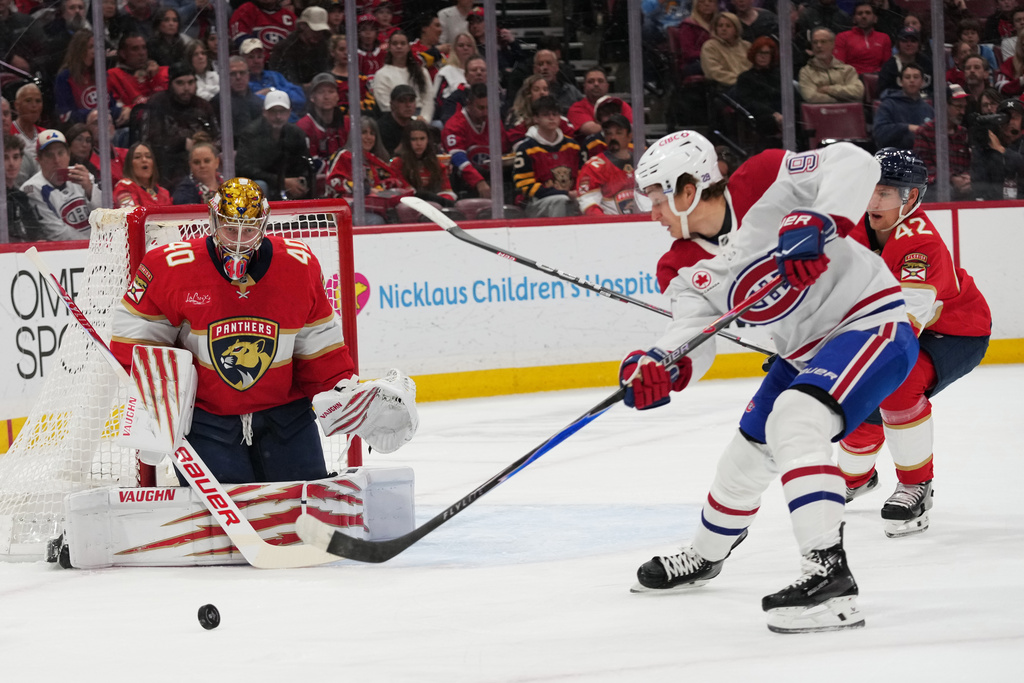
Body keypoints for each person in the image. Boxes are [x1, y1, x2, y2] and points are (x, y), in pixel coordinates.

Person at [622, 130, 917, 634]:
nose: (652, 213)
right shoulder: (680, 264)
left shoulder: (762, 176)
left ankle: (830, 579)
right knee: (744, 457)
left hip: (870, 323)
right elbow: (690, 332)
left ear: (686, 189)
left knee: (794, 419)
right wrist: (661, 364)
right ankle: (705, 556)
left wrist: (818, 220)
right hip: (801, 355)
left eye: (655, 198)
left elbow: (854, 161)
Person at [109, 177, 357, 484]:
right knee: (214, 526)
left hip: (286, 417)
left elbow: (319, 347)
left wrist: (346, 394)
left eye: (249, 230)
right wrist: (157, 404)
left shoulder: (298, 264)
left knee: (302, 510)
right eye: (230, 229)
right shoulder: (171, 267)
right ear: (213, 221)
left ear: (263, 225)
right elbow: (135, 342)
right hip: (207, 421)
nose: (239, 240)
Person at [840, 148, 991, 537]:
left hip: (957, 332)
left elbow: (902, 329)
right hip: (894, 328)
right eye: (870, 189)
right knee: (854, 400)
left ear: (911, 198)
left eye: (885, 193)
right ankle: (857, 480)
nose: (873, 201)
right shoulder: (852, 228)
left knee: (897, 381)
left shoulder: (920, 245)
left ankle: (916, 485)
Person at [142, 62, 220, 189]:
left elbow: (219, 137)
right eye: (180, 83)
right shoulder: (158, 103)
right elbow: (149, 141)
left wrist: (206, 146)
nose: (186, 88)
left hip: (203, 164)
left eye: (190, 82)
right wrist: (182, 143)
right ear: (170, 84)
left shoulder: (203, 106)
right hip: (168, 167)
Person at [324, 117, 410, 224]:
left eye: (372, 133)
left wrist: (389, 189)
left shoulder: (377, 160)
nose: (368, 137)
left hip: (376, 208)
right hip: (344, 210)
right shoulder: (343, 156)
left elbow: (391, 181)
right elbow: (333, 183)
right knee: (376, 221)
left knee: (404, 213)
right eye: (364, 132)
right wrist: (366, 189)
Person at [22, 129, 102, 241]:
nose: (57, 160)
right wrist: (90, 245)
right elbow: (57, 233)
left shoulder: (83, 175)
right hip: (65, 253)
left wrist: (90, 189)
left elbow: (105, 215)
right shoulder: (32, 188)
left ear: (69, 155)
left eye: (61, 153)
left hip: (98, 247)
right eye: (49, 155)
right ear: (39, 160)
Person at [512, 95, 583, 218]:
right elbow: (525, 186)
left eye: (555, 114)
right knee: (560, 200)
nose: (551, 118)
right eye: (546, 115)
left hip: (570, 198)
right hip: (536, 203)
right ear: (536, 118)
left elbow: (583, 177)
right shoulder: (526, 148)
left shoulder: (573, 146)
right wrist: (565, 193)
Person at [236, 90, 312, 201]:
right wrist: (282, 182)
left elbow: (303, 163)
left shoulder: (297, 134)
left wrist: (299, 180)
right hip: (261, 183)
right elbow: (245, 169)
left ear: (289, 112)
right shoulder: (250, 133)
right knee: (260, 185)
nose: (278, 116)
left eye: (282, 111)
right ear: (264, 112)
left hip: (287, 182)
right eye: (273, 111)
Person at [442, 83, 509, 199]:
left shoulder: (494, 122)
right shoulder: (454, 125)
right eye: (481, 108)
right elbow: (457, 158)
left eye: (489, 107)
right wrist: (479, 182)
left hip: (492, 177)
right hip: (463, 182)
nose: (486, 113)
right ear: (469, 104)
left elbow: (504, 152)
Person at [914, 84, 973, 201]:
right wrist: (951, 178)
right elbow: (924, 168)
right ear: (944, 105)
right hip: (933, 187)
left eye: (964, 107)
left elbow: (968, 164)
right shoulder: (925, 132)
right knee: (946, 191)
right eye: (958, 107)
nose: (962, 112)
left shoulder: (963, 133)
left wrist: (967, 178)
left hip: (959, 185)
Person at [55, 29, 126, 126]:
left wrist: (124, 110)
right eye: (91, 47)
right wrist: (95, 115)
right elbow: (65, 115)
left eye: (97, 47)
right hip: (83, 131)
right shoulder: (65, 77)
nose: (95, 51)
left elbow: (112, 106)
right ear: (79, 50)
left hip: (108, 127)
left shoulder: (102, 75)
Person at [575, 114, 636, 216]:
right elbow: (589, 204)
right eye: (608, 133)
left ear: (629, 136)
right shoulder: (593, 167)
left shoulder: (642, 162)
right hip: (610, 225)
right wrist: (605, 225)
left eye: (619, 133)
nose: (613, 137)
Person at [391, 119, 457, 207]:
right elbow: (405, 194)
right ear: (407, 142)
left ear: (428, 140)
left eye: (422, 139)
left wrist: (437, 201)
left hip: (436, 206)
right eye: (414, 139)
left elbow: (447, 192)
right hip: (409, 207)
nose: (419, 143)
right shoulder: (397, 163)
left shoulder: (437, 163)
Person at [733, 36, 788, 139]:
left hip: (781, 112)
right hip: (759, 115)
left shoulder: (779, 76)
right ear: (754, 54)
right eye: (760, 53)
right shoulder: (745, 78)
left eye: (766, 53)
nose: (763, 56)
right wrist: (773, 113)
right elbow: (747, 102)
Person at [372, 30, 434, 121]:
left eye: (403, 43)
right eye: (395, 43)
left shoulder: (422, 71)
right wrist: (411, 120)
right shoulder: (381, 74)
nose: (399, 46)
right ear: (389, 47)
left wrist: (425, 119)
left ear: (409, 47)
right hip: (397, 120)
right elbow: (385, 105)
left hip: (421, 118)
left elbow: (429, 100)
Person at [970, 97, 1024, 200]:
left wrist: (1002, 150)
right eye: (1006, 117)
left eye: (1015, 117)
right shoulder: (987, 146)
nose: (1010, 122)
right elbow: (979, 183)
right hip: (994, 207)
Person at [241, 38, 306, 121]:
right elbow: (249, 105)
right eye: (251, 57)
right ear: (242, 59)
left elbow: (300, 99)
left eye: (259, 57)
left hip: (291, 124)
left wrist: (272, 91)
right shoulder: (241, 82)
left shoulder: (275, 76)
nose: (256, 61)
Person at [267, 5, 333, 87]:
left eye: (321, 31)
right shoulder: (284, 48)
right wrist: (303, 87)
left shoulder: (323, 47)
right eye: (314, 30)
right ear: (303, 26)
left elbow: (326, 72)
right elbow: (278, 79)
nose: (318, 34)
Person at [873, 63, 934, 150]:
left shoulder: (928, 109)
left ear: (922, 82)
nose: (912, 80)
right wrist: (907, 128)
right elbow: (879, 133)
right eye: (907, 77)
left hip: (923, 157)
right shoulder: (888, 105)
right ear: (901, 82)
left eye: (916, 77)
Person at [297, 72, 348, 174]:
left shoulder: (347, 123)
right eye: (321, 92)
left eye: (331, 91)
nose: (326, 97)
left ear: (338, 96)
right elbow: (311, 164)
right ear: (312, 97)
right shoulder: (304, 126)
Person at [106, 32, 169, 114]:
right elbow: (114, 109)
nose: (142, 53)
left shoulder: (162, 71)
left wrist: (155, 78)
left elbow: (167, 104)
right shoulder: (113, 75)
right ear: (123, 53)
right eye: (135, 49)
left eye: (144, 48)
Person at [798, 27, 865, 104]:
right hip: (821, 113)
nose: (819, 45)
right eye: (815, 42)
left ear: (832, 44)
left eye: (823, 42)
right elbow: (811, 97)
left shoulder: (847, 70)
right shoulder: (806, 72)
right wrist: (842, 100)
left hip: (847, 113)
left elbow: (858, 92)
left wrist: (828, 89)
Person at [567, 68, 635, 139]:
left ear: (607, 86)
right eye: (591, 81)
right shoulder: (576, 108)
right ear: (584, 86)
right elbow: (592, 130)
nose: (596, 84)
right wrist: (619, 127)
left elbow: (631, 129)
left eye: (600, 81)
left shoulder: (621, 104)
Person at [210, 56, 264, 143]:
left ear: (248, 75)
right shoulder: (218, 102)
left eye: (242, 73)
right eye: (233, 74)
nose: (238, 77)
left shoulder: (259, 103)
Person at [429, 33, 478, 123]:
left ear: (474, 49)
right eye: (461, 45)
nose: (465, 48)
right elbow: (436, 101)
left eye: (469, 45)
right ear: (454, 49)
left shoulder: (481, 70)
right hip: (450, 118)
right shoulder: (445, 72)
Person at [833, 1, 891, 75]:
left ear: (875, 18)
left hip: (877, 79)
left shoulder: (884, 38)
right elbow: (839, 66)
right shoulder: (842, 37)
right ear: (854, 19)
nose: (864, 16)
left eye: (868, 13)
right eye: (860, 13)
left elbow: (886, 67)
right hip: (852, 79)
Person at [4, 133, 43, 242]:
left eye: (15, 157)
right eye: (5, 158)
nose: (11, 163)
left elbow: (36, 233)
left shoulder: (20, 196)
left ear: (21, 159)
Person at [329, 34, 377, 117]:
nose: (346, 53)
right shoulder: (329, 79)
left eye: (349, 49)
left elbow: (371, 103)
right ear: (333, 52)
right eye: (341, 49)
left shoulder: (361, 77)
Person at [113, 141, 173, 207]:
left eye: (148, 156)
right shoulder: (124, 187)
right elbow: (131, 214)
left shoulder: (164, 193)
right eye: (137, 157)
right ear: (129, 164)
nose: (144, 160)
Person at [877, 27, 933, 96]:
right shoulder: (889, 66)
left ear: (919, 44)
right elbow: (883, 93)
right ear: (898, 44)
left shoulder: (926, 62)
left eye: (913, 41)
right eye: (904, 41)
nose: (909, 44)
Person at [230, 0, 297, 55]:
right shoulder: (245, 11)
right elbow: (242, 42)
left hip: (282, 65)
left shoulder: (290, 16)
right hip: (254, 65)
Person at [172, 139, 223, 204]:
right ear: (190, 165)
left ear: (217, 162)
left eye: (207, 161)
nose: (202, 165)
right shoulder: (183, 195)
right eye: (196, 162)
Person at [533, 49, 584, 114]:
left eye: (549, 63)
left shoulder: (571, 92)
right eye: (540, 64)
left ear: (557, 67)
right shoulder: (527, 93)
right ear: (534, 69)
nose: (545, 67)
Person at [673, 0, 716, 78]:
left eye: (711, 1)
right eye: (702, 2)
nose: (707, 4)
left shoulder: (719, 24)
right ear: (696, 5)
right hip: (693, 63)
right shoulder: (688, 25)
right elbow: (688, 53)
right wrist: (711, 54)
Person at [378, 84, 418, 157]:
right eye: (402, 101)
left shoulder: (416, 126)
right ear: (392, 104)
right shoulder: (382, 128)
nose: (408, 105)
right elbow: (385, 159)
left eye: (411, 100)